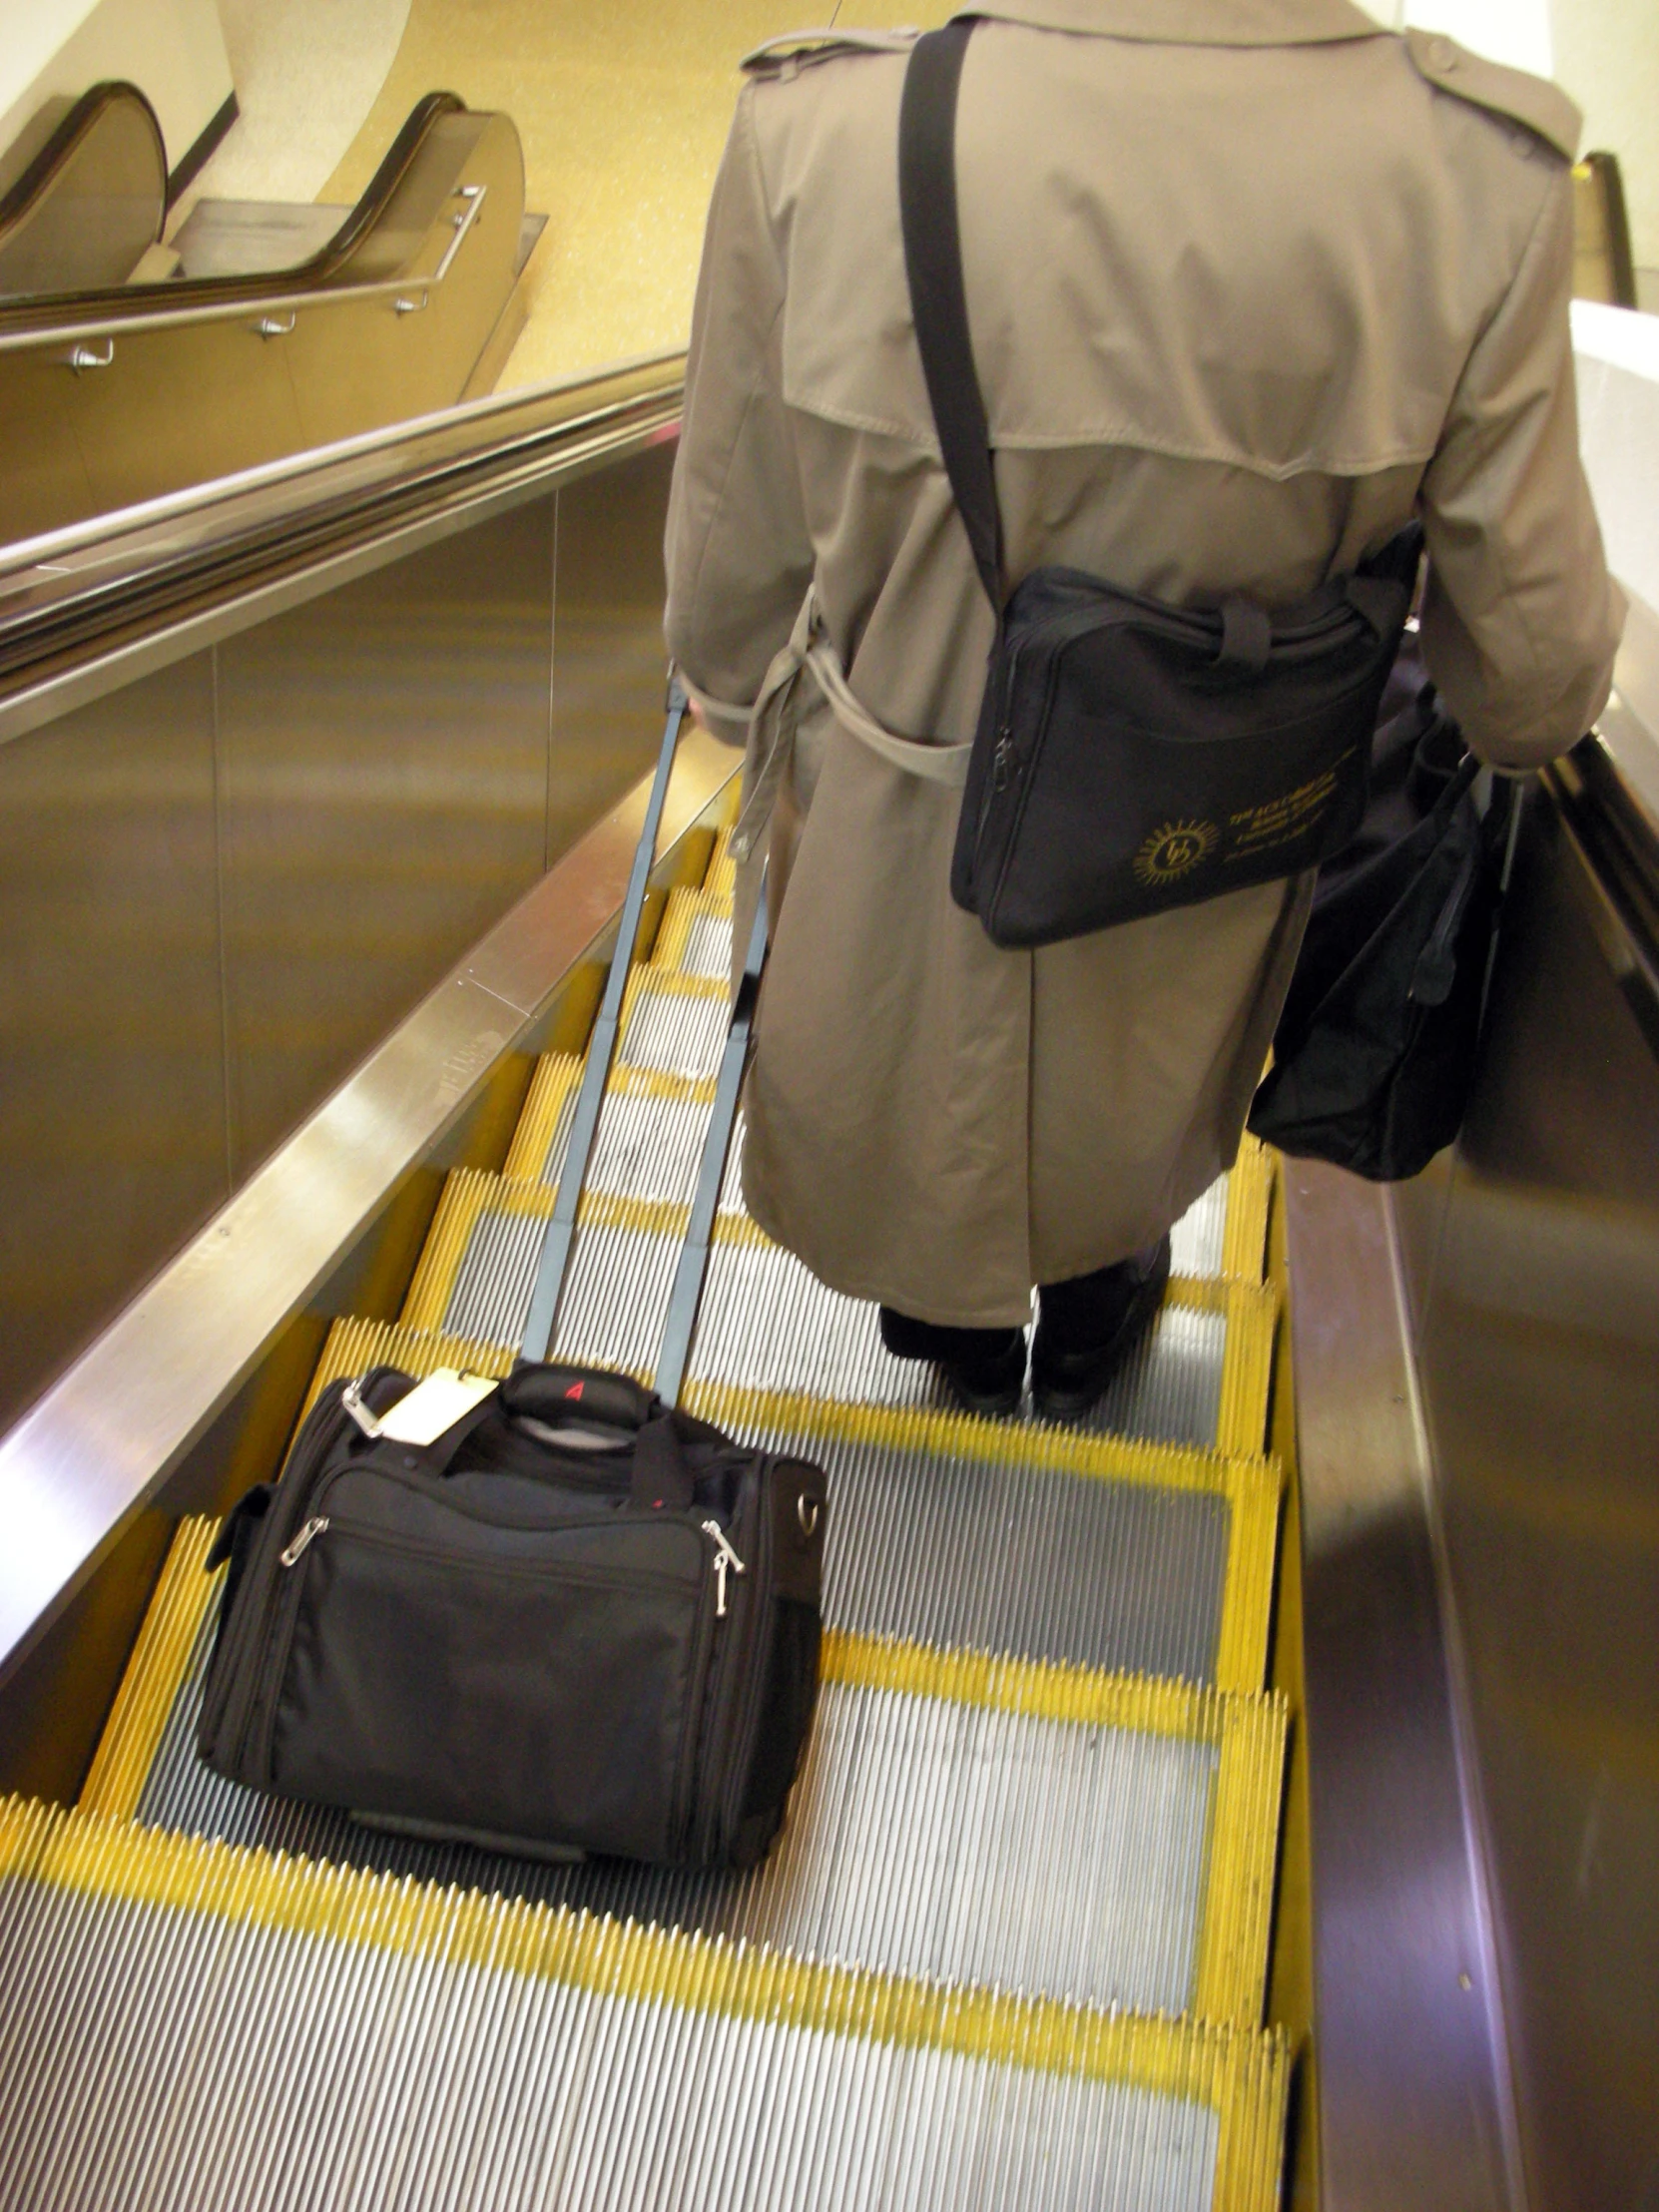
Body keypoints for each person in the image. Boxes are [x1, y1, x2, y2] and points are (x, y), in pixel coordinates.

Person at [664, 0, 1623, 1420]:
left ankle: (952, 1330)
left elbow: (726, 612)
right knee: (1128, 1083)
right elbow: (1530, 685)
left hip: (891, 827)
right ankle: (1096, 1293)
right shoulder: (1473, 177)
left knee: (903, 1054)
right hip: (1193, 839)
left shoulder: (822, 127)